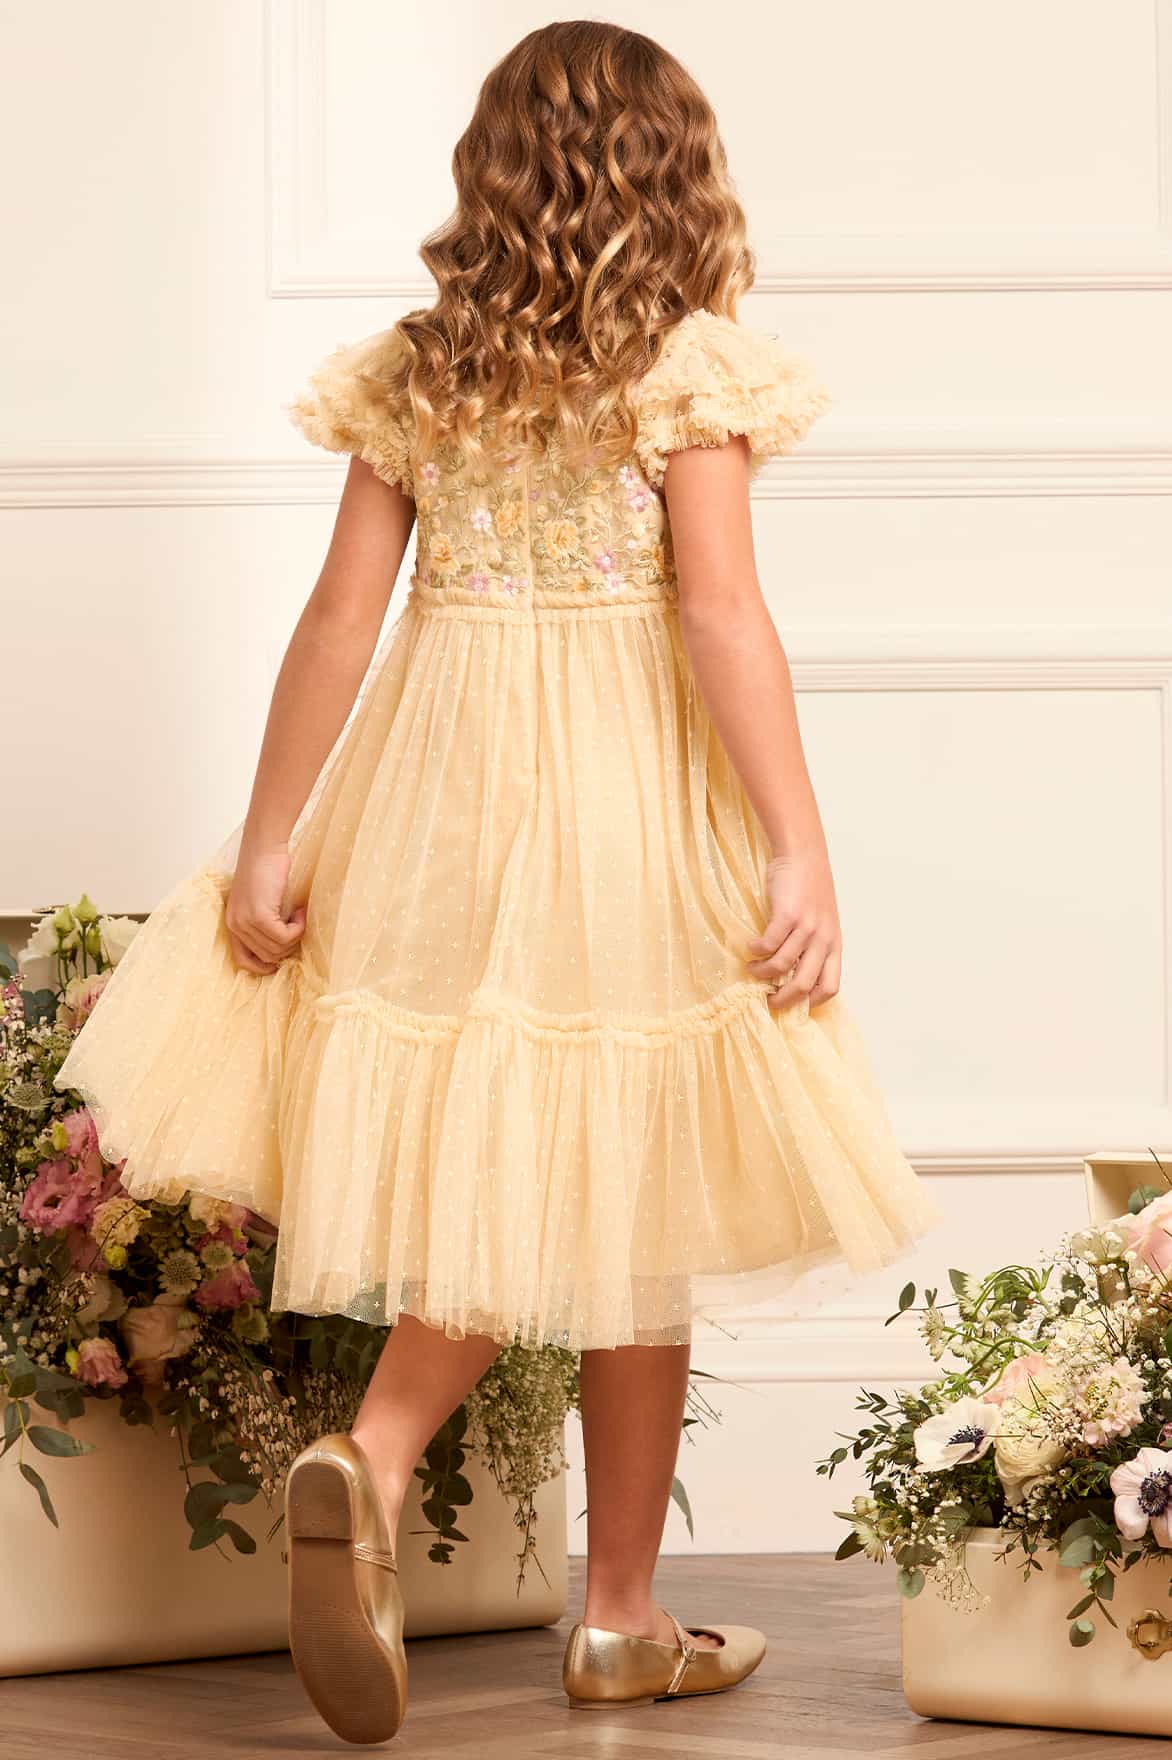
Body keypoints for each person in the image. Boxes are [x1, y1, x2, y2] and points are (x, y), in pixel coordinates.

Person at [53, 17, 941, 1746]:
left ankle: (598, 1604)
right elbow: (719, 609)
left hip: (438, 799)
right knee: (621, 1159)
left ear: (494, 176)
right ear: (674, 177)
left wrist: (272, 834)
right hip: (623, 795)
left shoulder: (421, 368)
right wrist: (799, 841)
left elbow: (341, 615)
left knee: (558, 1172)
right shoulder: (684, 364)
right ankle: (413, 1479)